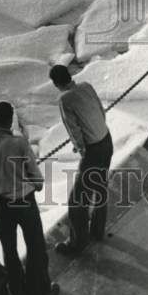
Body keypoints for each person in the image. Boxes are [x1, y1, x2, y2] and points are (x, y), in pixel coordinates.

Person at [0, 102, 58, 295]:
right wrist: (36, 186)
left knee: (9, 250)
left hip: (2, 205)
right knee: (35, 245)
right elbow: (36, 177)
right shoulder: (19, 143)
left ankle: (18, 292)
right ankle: (40, 290)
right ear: (11, 120)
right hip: (24, 203)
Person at [49, 65, 113, 255]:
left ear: (55, 83)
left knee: (77, 200)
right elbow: (101, 111)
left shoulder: (64, 99)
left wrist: (82, 148)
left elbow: (73, 129)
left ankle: (77, 243)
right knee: (100, 188)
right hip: (106, 141)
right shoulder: (86, 86)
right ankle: (97, 231)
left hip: (93, 149)